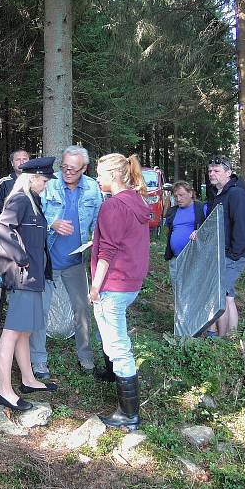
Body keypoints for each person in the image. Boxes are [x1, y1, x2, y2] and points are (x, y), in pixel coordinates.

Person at [89, 153, 150, 430]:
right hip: (130, 282)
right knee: (113, 341)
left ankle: (129, 415)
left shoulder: (113, 206)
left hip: (113, 284)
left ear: (114, 175)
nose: (96, 178)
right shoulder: (137, 201)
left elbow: (107, 251)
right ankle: (114, 377)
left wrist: (95, 285)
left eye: (99, 173)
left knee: (119, 347)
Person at [31, 145, 103, 378]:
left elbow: (99, 224)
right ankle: (39, 360)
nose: (67, 172)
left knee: (82, 309)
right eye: (64, 167)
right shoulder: (49, 185)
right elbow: (33, 214)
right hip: (48, 260)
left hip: (76, 261)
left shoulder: (93, 188)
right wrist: (52, 223)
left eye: (73, 168)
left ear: (84, 168)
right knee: (40, 311)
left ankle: (85, 355)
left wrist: (96, 245)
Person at [0, 157, 58, 412]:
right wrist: (21, 258)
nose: (45, 184)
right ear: (31, 178)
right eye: (43, 180)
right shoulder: (20, 199)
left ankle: (28, 379)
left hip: (34, 276)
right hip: (23, 276)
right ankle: (4, 390)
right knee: (12, 332)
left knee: (25, 329)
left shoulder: (34, 201)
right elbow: (2, 227)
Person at [204, 156, 245, 336]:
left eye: (216, 171)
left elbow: (241, 225)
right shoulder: (216, 193)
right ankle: (231, 336)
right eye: (210, 171)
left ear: (228, 173)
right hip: (219, 253)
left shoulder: (236, 193)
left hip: (233, 255)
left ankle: (221, 339)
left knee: (220, 296)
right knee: (228, 296)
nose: (212, 174)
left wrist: (234, 253)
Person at [163, 180, 205, 286]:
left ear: (190, 193)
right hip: (176, 259)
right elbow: (169, 231)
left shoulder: (201, 208)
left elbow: (212, 229)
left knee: (193, 289)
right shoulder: (172, 211)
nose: (178, 199)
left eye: (181, 195)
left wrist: (200, 232)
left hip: (195, 259)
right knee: (177, 290)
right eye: (176, 196)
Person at [0, 149, 30, 221]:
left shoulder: (37, 181)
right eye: (18, 160)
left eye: (25, 159)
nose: (22, 162)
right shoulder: (4, 182)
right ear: (12, 163)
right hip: (10, 227)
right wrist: (0, 228)